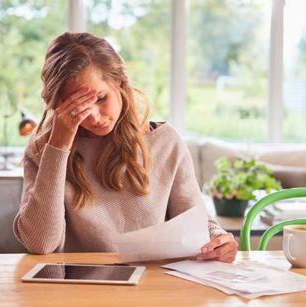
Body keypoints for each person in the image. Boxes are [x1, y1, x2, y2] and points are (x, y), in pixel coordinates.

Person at [13, 32, 238, 263]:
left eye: (100, 98)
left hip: (152, 286)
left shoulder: (165, 142)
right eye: (77, 107)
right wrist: (59, 146)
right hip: (76, 289)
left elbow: (193, 220)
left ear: (119, 83)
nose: (93, 117)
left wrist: (217, 237)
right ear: (57, 104)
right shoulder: (43, 151)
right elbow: (40, 243)